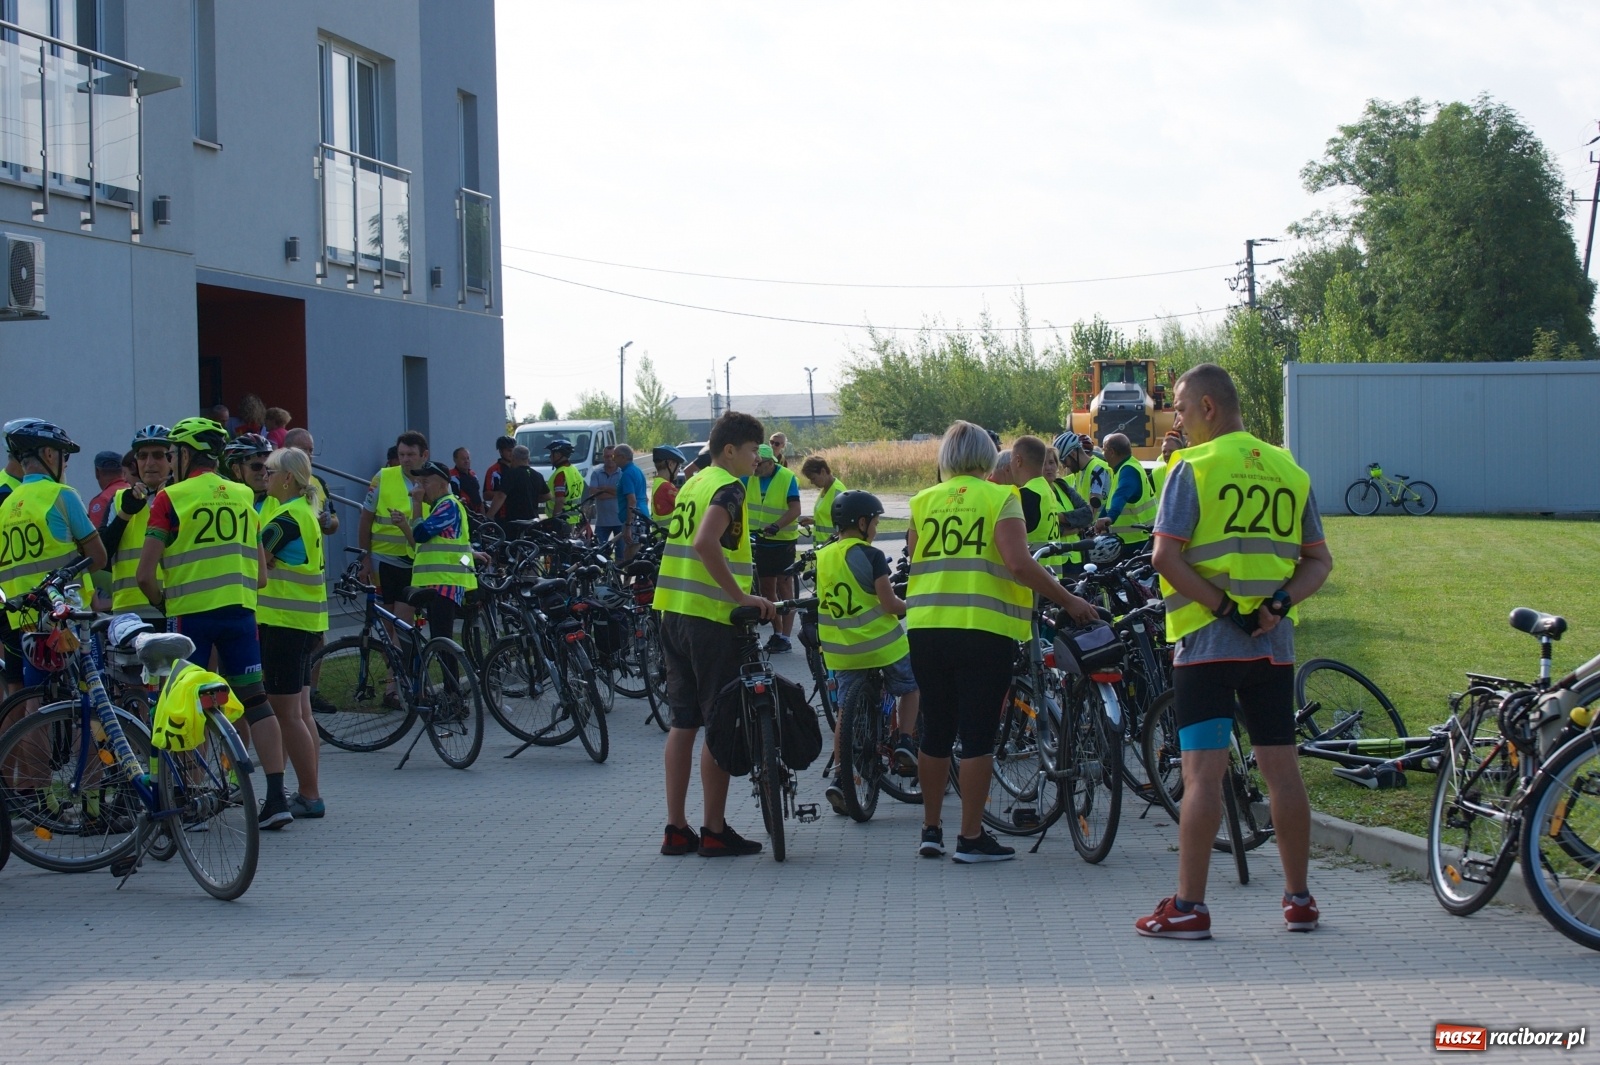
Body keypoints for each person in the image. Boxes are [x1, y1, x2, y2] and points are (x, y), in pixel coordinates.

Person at [1134, 363, 1332, 940]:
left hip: (1207, 644)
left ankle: (1189, 908)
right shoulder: (1288, 468)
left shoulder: (1192, 467)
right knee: (1282, 772)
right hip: (1272, 647)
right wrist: (1277, 603)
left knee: (1201, 775)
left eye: (1180, 407)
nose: (1178, 419)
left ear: (1208, 408)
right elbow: (1318, 560)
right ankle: (1299, 900)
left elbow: (1164, 558)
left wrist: (1224, 609)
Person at [906, 421, 1098, 863]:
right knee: (977, 735)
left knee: (935, 730)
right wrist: (1068, 600)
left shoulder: (921, 502)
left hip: (926, 627)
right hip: (984, 627)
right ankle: (970, 838)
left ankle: (930, 830)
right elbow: (1018, 562)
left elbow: (919, 559)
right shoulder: (1001, 498)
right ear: (986, 454)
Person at [136, 417, 299, 830]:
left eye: (172, 452)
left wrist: (163, 600)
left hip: (191, 616)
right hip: (242, 613)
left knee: (185, 705)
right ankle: (277, 798)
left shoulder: (170, 497)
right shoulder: (245, 494)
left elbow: (144, 575)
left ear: (184, 454)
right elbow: (262, 576)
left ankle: (194, 801)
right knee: (256, 701)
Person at [655, 410, 772, 858]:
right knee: (719, 722)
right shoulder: (729, 486)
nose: (758, 459)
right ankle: (714, 829)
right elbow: (706, 543)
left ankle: (676, 828)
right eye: (752, 450)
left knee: (683, 724)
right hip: (711, 620)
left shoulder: (694, 482)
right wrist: (741, 596)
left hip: (673, 614)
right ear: (729, 450)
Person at [819, 491, 920, 816]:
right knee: (910, 687)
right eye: (875, 523)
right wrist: (913, 607)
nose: (876, 529)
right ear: (862, 523)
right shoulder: (872, 555)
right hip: (882, 646)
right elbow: (890, 605)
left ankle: (839, 775)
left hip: (842, 653)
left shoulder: (823, 556)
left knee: (843, 717)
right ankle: (905, 741)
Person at [0, 420, 107, 727]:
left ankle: (33, 778)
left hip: (28, 622)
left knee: (35, 706)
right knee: (88, 702)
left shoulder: (6, 506)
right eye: (64, 456)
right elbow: (98, 557)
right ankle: (97, 776)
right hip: (68, 616)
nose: (65, 464)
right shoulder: (62, 495)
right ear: (49, 454)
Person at [258, 445, 327, 818]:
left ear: (287, 478)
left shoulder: (284, 519)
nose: (264, 476)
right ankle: (309, 789)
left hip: (284, 623)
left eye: (269, 471)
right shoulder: (306, 513)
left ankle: (309, 794)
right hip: (304, 623)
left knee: (285, 713)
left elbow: (255, 563)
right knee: (300, 712)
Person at [359, 431, 428, 668]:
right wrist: (365, 558)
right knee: (387, 625)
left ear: (423, 455)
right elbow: (365, 519)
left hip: (417, 563)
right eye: (402, 454)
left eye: (411, 454)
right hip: (384, 560)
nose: (406, 459)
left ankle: (399, 682)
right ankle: (394, 682)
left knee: (404, 622)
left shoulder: (434, 481)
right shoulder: (383, 477)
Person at [394, 461, 477, 643]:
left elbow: (421, 534)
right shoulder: (440, 507)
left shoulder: (448, 505)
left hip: (446, 583)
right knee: (439, 640)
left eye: (425, 482)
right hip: (438, 582)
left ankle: (451, 673)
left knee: (443, 641)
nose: (420, 488)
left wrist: (416, 503)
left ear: (442, 483)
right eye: (418, 483)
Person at [101, 425, 174, 624]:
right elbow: (102, 557)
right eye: (142, 456)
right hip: (129, 611)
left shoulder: (183, 497)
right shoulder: (119, 500)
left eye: (158, 455)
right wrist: (124, 514)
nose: (149, 463)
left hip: (174, 606)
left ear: (172, 459)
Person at [745, 443, 801, 653]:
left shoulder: (786, 477)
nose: (756, 469)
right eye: (755, 464)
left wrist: (777, 525)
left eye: (760, 465)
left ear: (770, 463)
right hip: (759, 540)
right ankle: (777, 633)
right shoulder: (749, 475)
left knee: (785, 589)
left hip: (783, 540)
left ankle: (785, 637)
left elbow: (795, 509)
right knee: (767, 588)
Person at [1093, 432, 1158, 547]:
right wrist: (1099, 521)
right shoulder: (1125, 467)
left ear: (1112, 452)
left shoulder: (1128, 470)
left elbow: (1121, 496)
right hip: (1134, 540)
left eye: (1104, 450)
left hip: (1137, 541)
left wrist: (1110, 517)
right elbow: (1111, 502)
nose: (1103, 454)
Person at [1011, 435, 1066, 554]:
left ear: (1018, 461)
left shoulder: (1027, 494)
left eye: (1011, 460)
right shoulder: (1047, 490)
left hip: (1034, 570)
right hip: (1052, 570)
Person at [282, 427, 339, 536]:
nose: (308, 455)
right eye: (303, 450)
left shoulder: (319, 482)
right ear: (287, 450)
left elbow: (334, 522)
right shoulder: (276, 480)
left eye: (311, 450)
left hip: (313, 551)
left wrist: (328, 522)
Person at [489, 445, 548, 526]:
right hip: (533, 521)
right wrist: (531, 498)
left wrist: (489, 516)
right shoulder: (538, 475)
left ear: (513, 457)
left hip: (515, 522)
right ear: (528, 458)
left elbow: (501, 496)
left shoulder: (511, 474)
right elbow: (548, 496)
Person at [613, 444, 648, 561]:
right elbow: (645, 497)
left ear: (623, 457)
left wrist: (628, 525)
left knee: (630, 554)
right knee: (635, 551)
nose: (613, 459)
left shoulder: (627, 474)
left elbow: (632, 500)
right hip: (642, 516)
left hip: (634, 519)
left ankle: (628, 579)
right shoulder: (637, 470)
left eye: (615, 456)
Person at [798, 456, 847, 540]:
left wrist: (828, 543)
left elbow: (845, 525)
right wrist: (814, 521)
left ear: (823, 472)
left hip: (832, 548)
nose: (812, 482)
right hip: (824, 548)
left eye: (813, 478)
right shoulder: (825, 489)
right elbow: (829, 519)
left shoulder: (837, 492)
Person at [224, 433, 274, 511]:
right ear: (237, 470)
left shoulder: (280, 499)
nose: (264, 472)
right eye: (256, 466)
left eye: (268, 466)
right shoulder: (225, 502)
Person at [585, 445, 623, 547]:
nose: (609, 459)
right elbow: (594, 492)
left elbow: (622, 493)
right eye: (607, 456)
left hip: (620, 521)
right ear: (603, 457)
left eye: (612, 456)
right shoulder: (596, 473)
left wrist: (604, 488)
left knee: (621, 554)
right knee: (598, 552)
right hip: (602, 522)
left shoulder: (622, 473)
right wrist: (615, 493)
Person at [87, 450, 130, 530]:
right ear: (123, 471)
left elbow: (96, 539)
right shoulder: (136, 492)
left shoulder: (101, 500)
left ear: (97, 472)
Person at [546, 439, 585, 527]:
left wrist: (555, 520)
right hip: (573, 519)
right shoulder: (574, 470)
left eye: (551, 454)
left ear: (557, 455)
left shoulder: (561, 474)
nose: (549, 457)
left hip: (562, 521)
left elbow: (560, 500)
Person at [650, 445, 686, 527]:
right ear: (670, 464)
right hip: (669, 536)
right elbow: (686, 505)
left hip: (660, 535)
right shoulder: (666, 487)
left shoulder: (658, 482)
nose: (678, 470)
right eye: (679, 466)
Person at [449, 446, 485, 516]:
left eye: (468, 458)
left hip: (478, 515)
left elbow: (478, 498)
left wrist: (484, 517)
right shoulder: (452, 477)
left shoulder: (473, 474)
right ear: (455, 460)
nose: (466, 461)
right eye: (463, 459)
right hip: (464, 515)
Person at [1150, 429, 1185, 499]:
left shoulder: (1191, 471)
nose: (1167, 454)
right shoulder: (1156, 473)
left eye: (1171, 451)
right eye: (1164, 452)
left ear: (1181, 452)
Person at [482, 435, 516, 505]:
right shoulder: (493, 471)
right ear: (501, 451)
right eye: (509, 450)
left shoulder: (518, 468)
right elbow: (486, 495)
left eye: (514, 450)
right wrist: (503, 494)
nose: (512, 453)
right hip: (501, 512)